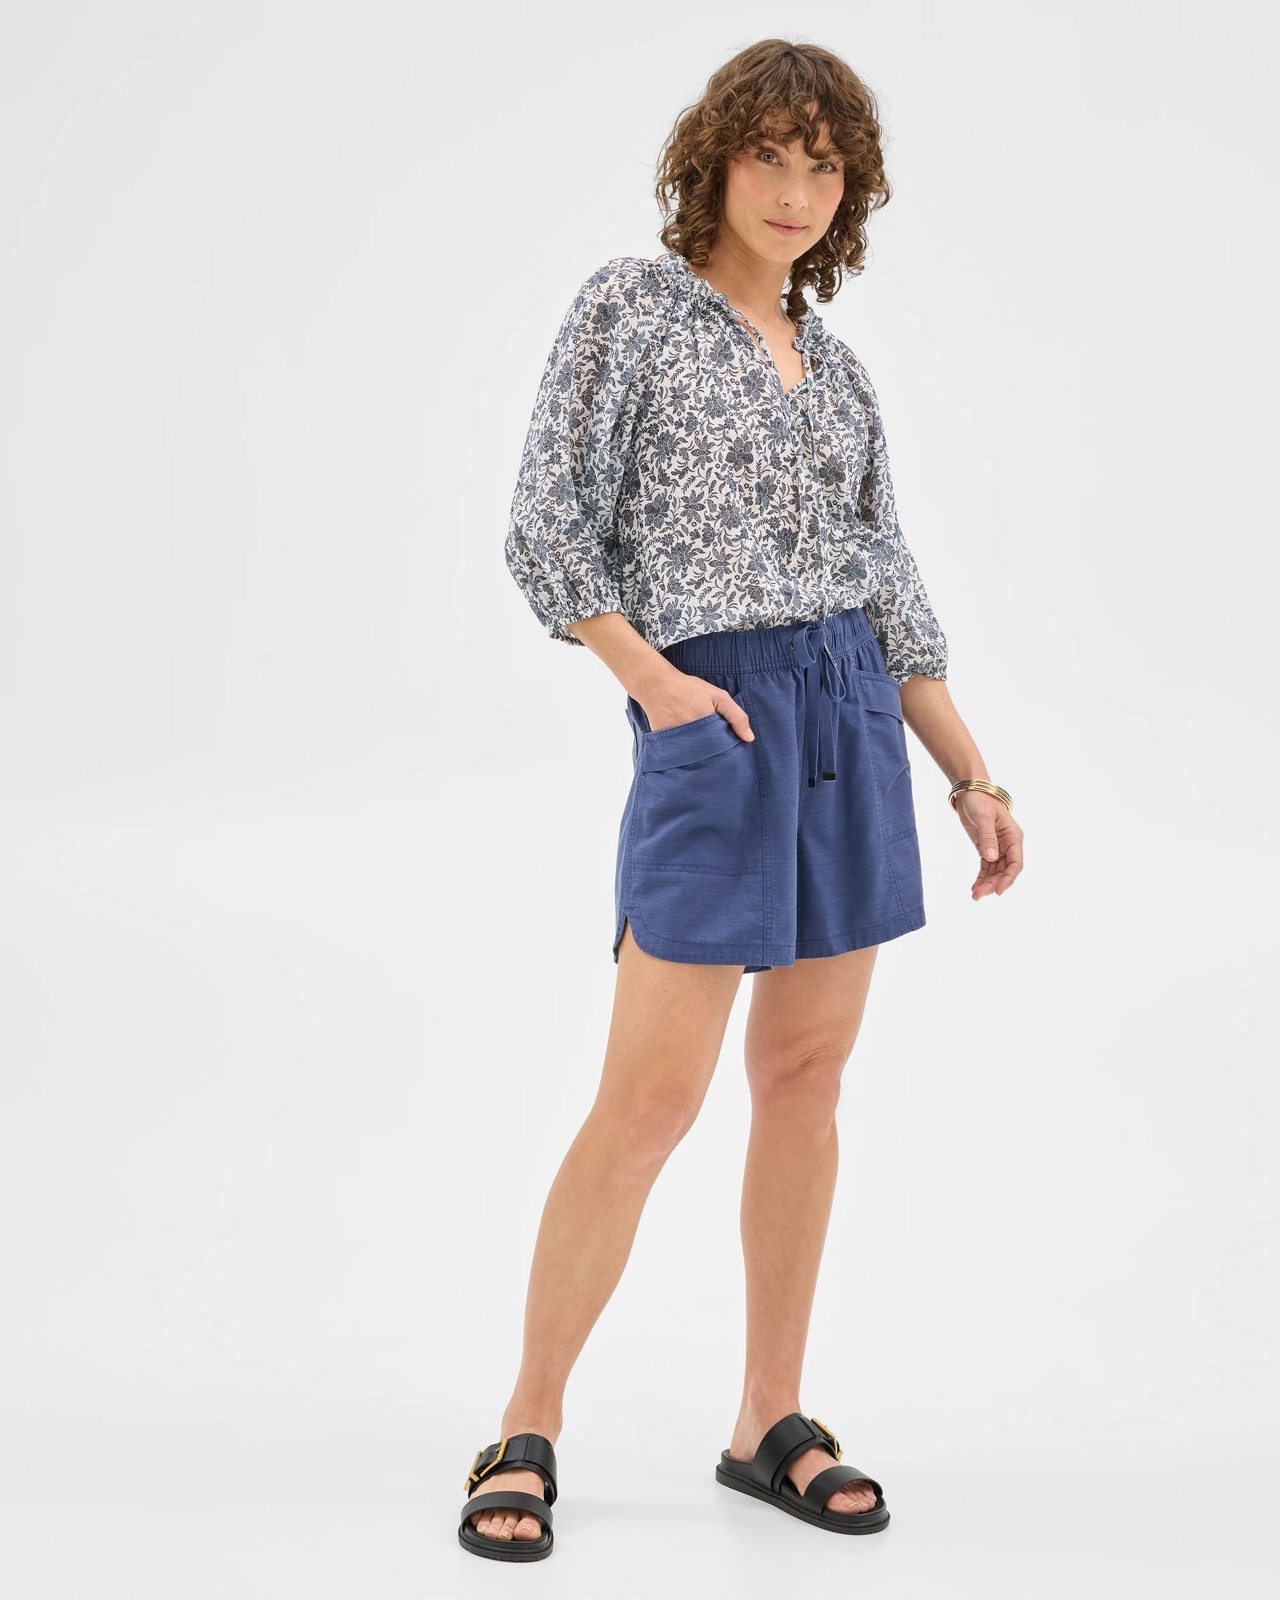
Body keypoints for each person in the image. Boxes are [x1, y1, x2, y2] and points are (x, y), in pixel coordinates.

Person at [459, 38, 1024, 1563]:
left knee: (808, 1082)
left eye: (823, 165)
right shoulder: (632, 310)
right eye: (768, 154)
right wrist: (654, 684)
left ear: (852, 191)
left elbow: (889, 582)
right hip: (715, 713)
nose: (793, 188)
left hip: (852, 712)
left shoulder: (839, 370)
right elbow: (547, 522)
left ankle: (768, 1418)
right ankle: (526, 1423)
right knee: (649, 1100)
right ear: (711, 160)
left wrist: (969, 773)